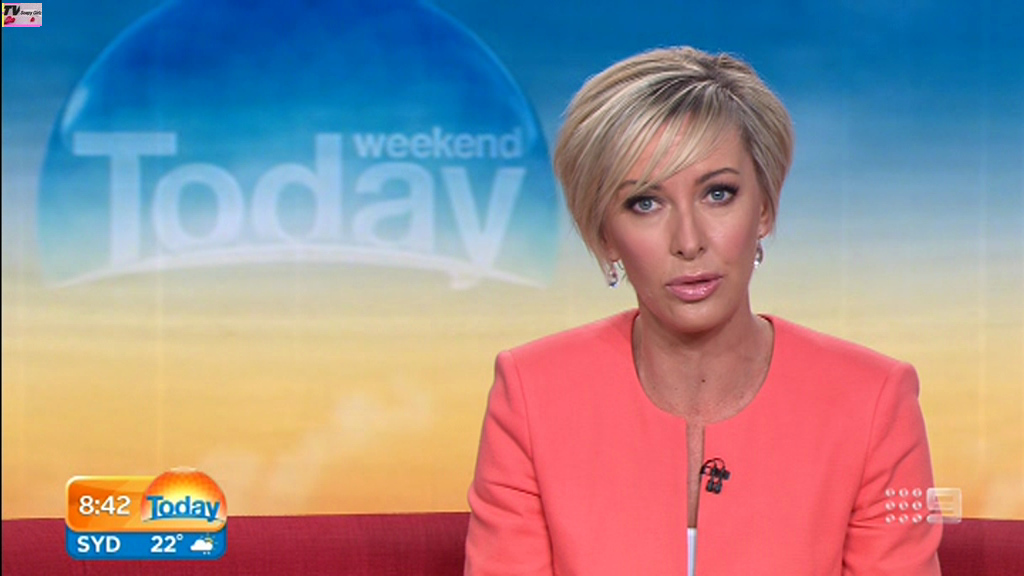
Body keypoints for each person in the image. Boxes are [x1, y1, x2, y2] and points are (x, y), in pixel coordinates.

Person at [464, 47, 942, 575]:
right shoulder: (532, 393)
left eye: (718, 193)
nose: (688, 241)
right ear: (605, 236)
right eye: (645, 203)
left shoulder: (872, 400)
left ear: (764, 208)